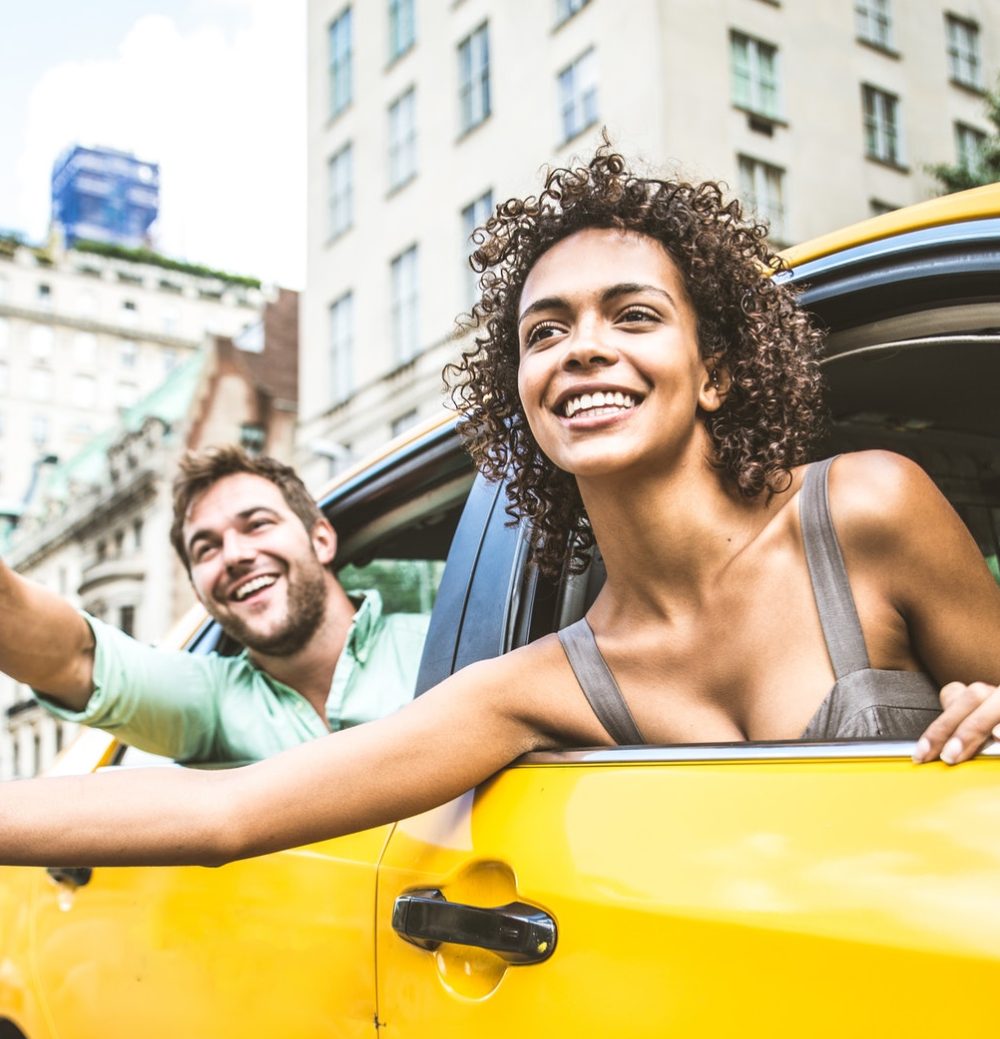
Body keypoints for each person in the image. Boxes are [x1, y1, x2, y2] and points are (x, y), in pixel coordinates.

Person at [2, 144, 999, 869]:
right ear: (521, 392)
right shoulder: (534, 683)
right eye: (545, 330)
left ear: (717, 371)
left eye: (634, 314)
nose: (582, 348)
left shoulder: (866, 508)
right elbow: (227, 818)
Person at [0, 446, 430, 765]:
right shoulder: (212, 700)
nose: (235, 556)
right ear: (199, 591)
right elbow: (74, 659)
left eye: (257, 524)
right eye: (206, 549)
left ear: (321, 539)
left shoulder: (442, 646)